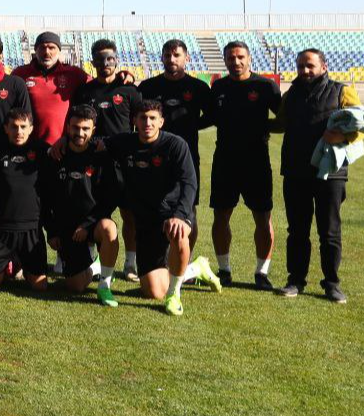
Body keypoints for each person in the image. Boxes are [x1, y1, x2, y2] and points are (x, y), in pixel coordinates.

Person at [104, 101, 221, 315]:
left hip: (172, 214)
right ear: (135, 121)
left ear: (161, 122)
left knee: (178, 231)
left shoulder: (175, 145)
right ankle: (196, 268)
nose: (147, 123)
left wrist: (181, 215)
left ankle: (174, 294)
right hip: (145, 221)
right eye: (143, 118)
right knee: (153, 291)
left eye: (152, 118)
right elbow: (98, 143)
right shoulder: (124, 142)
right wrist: (63, 142)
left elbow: (189, 182)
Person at [272, 48, 359, 303]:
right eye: (301, 66)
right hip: (295, 170)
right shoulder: (291, 95)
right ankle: (295, 280)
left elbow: (360, 123)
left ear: (324, 66)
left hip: (330, 173)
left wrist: (343, 135)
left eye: (310, 65)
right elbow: (281, 124)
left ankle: (332, 284)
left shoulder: (342, 91)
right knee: (297, 231)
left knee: (329, 231)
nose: (305, 70)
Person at [209, 41, 281, 288]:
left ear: (249, 59)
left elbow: (284, 119)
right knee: (221, 215)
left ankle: (262, 273)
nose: (236, 62)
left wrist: (262, 127)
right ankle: (224, 270)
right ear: (225, 60)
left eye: (240, 57)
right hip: (225, 160)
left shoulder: (266, 86)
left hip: (256, 161)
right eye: (231, 58)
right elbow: (211, 116)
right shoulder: (218, 86)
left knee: (262, 217)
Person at [72, 39, 144, 280]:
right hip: (92, 161)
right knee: (90, 210)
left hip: (123, 162)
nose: (106, 63)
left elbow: (140, 126)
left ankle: (130, 264)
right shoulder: (84, 92)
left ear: (117, 60)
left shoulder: (129, 91)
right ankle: (90, 261)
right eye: (100, 59)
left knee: (129, 215)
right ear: (93, 62)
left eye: (110, 58)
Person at [38, 105, 121, 306]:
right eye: (75, 128)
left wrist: (87, 224)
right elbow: (44, 198)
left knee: (109, 228)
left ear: (93, 130)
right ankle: (95, 266)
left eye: (85, 129)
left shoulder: (101, 156)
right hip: (68, 227)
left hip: (92, 223)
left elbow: (110, 199)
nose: (80, 133)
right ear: (67, 127)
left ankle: (104, 285)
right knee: (76, 287)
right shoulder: (56, 156)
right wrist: (52, 231)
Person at [139, 39, 213, 249]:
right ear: (161, 58)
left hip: (186, 157)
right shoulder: (148, 87)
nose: (171, 59)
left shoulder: (198, 87)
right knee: (151, 207)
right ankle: (156, 256)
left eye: (176, 55)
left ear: (186, 58)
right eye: (167, 55)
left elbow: (212, 115)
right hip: (152, 156)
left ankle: (184, 259)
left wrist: (191, 125)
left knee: (188, 208)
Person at [0, 109, 50, 291]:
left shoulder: (42, 150)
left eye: (23, 127)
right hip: (3, 229)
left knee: (40, 286)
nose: (19, 131)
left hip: (31, 229)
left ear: (31, 128)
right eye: (14, 127)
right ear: (6, 128)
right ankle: (8, 262)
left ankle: (19, 262)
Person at [13, 32, 90, 146]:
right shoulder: (20, 73)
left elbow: (98, 85)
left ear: (59, 50)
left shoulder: (74, 73)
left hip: (63, 144)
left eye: (51, 48)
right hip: (31, 145)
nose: (47, 52)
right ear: (35, 50)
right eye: (42, 48)